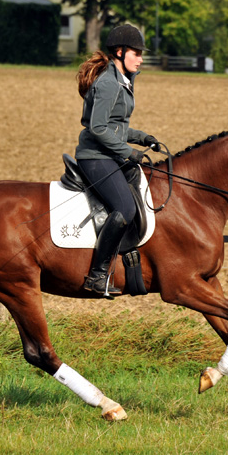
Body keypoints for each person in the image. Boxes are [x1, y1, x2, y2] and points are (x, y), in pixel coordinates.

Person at [74, 24, 160, 296]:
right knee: (124, 208)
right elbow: (97, 128)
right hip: (95, 157)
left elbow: (116, 125)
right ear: (120, 52)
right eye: (137, 53)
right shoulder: (110, 83)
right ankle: (97, 275)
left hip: (109, 153)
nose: (141, 58)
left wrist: (143, 137)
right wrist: (127, 151)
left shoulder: (123, 79)